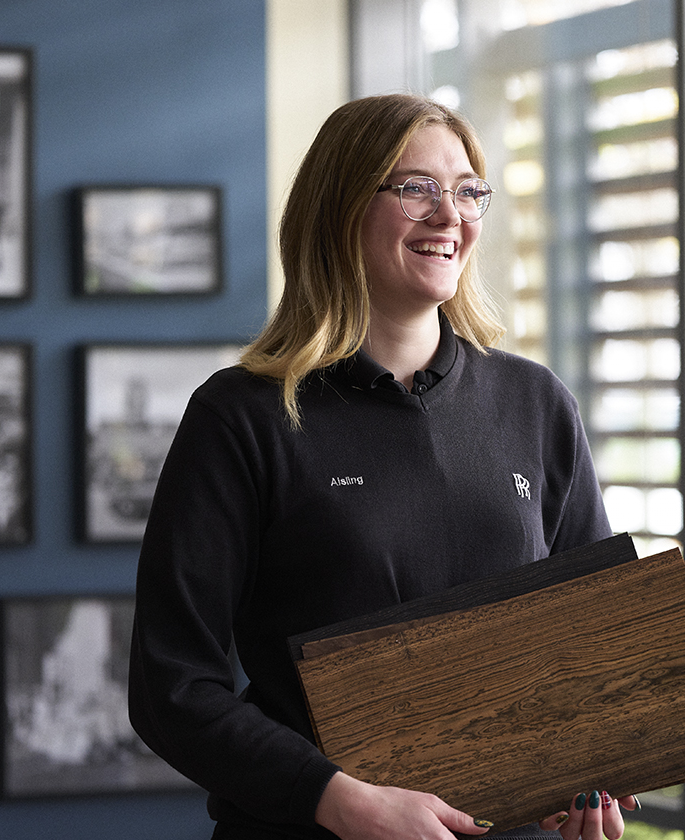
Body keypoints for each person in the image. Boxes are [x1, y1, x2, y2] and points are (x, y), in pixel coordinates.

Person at [129, 92, 638, 840]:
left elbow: (593, 651)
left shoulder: (535, 403)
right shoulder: (241, 416)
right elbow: (171, 686)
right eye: (416, 189)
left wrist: (597, 772)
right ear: (339, 208)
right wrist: (338, 798)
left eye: (468, 192)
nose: (450, 216)